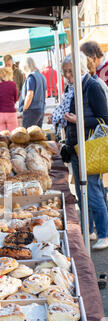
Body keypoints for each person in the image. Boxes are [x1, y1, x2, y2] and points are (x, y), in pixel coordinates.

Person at [62, 52, 108, 249]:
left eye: (70, 71)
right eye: (65, 72)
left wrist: (77, 120)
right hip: (76, 147)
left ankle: (104, 234)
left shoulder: (93, 86)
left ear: (81, 67)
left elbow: (105, 119)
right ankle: (88, 230)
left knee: (94, 191)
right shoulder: (73, 87)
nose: (67, 75)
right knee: (82, 193)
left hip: (90, 147)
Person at [18, 56, 47, 129]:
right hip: (40, 109)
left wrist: (24, 108)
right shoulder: (42, 76)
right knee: (37, 134)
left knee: (27, 134)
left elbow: (30, 94)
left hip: (31, 110)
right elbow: (46, 94)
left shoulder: (31, 77)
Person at [0, 67, 18, 133]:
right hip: (10, 112)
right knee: (14, 135)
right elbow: (15, 98)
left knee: (2, 137)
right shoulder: (12, 84)